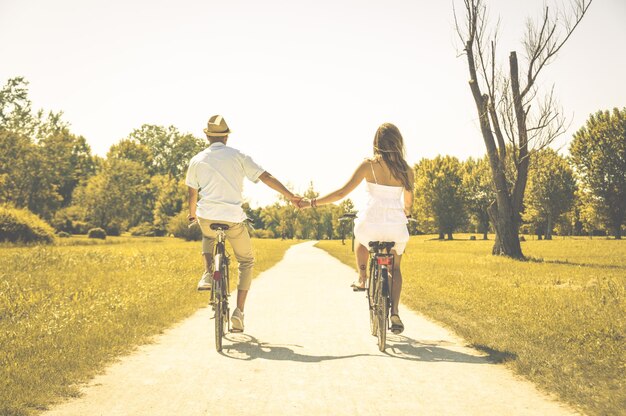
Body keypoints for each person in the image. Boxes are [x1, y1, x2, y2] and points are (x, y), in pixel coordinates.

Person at [185, 115, 300, 332]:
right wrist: (290, 195)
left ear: (207, 136)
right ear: (226, 136)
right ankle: (238, 313)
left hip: (207, 217)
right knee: (246, 261)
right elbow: (266, 177)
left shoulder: (197, 159)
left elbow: (192, 194)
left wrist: (193, 215)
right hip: (233, 218)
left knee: (208, 235)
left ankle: (208, 273)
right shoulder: (238, 156)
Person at [299, 123, 414, 334]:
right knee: (395, 268)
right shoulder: (407, 170)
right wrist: (406, 214)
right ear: (398, 142)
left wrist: (311, 202)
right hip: (395, 227)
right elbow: (408, 204)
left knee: (361, 240)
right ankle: (395, 312)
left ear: (376, 143)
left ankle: (362, 278)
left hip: (370, 223)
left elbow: (341, 193)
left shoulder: (368, 165)